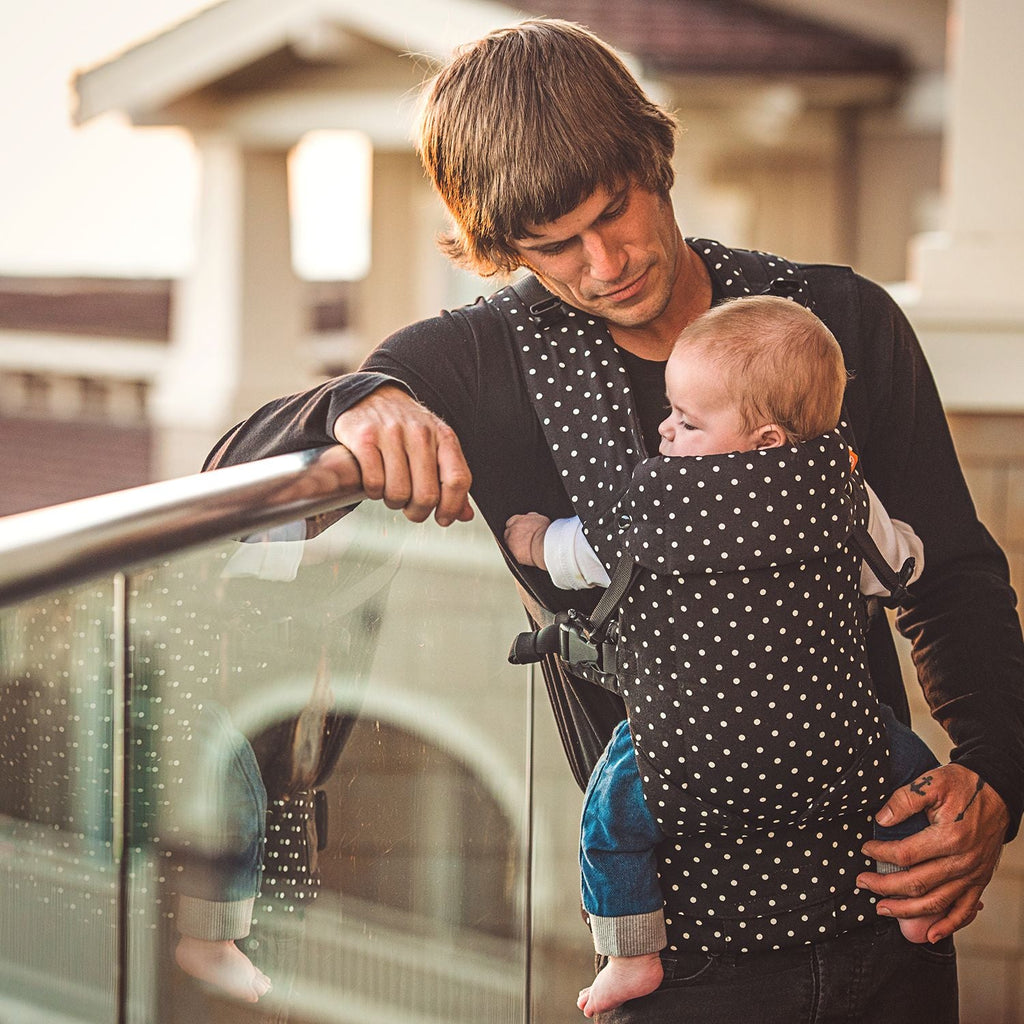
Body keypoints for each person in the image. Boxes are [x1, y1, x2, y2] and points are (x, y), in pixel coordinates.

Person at [204, 19, 1024, 1021]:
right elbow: (233, 470)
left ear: (654, 158)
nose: (603, 265)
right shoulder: (480, 363)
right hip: (672, 954)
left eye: (614, 212)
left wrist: (994, 776)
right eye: (553, 246)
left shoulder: (836, 323)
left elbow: (951, 583)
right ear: (502, 247)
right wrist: (352, 401)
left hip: (888, 912)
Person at [505, 295, 941, 1016]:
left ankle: (630, 951)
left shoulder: (658, 503)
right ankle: (917, 904)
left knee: (610, 821)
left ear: (765, 439)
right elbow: (896, 565)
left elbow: (579, 554)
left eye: (688, 421)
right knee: (915, 780)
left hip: (689, 747)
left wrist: (530, 539)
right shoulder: (841, 490)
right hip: (831, 734)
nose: (665, 430)